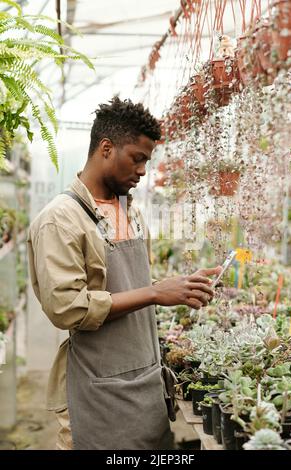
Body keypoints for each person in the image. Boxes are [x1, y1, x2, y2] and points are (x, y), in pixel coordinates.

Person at [27, 97, 221, 450]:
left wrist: (181, 286)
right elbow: (67, 307)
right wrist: (154, 292)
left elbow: (132, 285)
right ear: (106, 148)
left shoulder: (129, 212)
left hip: (144, 386)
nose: (143, 171)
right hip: (98, 393)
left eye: (147, 160)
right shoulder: (61, 219)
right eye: (138, 158)